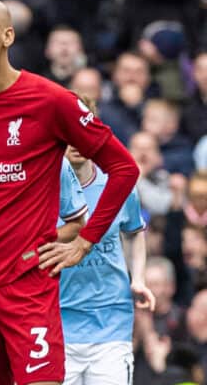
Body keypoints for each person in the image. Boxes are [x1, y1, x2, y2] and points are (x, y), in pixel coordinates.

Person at [0, 0, 140, 385]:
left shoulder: (51, 100)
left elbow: (125, 168)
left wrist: (86, 241)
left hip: (27, 284)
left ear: (7, 36)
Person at [60, 132, 156, 384]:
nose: (75, 142)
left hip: (111, 321)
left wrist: (138, 278)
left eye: (80, 135)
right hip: (57, 324)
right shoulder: (41, 192)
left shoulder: (118, 185)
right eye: (67, 134)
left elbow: (135, 233)